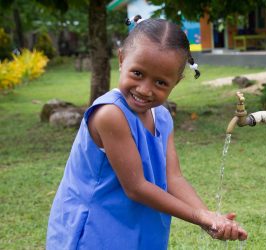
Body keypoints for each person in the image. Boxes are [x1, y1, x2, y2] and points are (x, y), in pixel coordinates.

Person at [46, 15, 247, 249]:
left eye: (161, 83)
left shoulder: (161, 116)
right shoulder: (110, 114)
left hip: (137, 229)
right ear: (122, 59)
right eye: (138, 74)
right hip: (95, 231)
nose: (145, 90)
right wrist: (200, 217)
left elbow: (173, 178)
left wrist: (208, 216)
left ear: (176, 82)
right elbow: (136, 187)